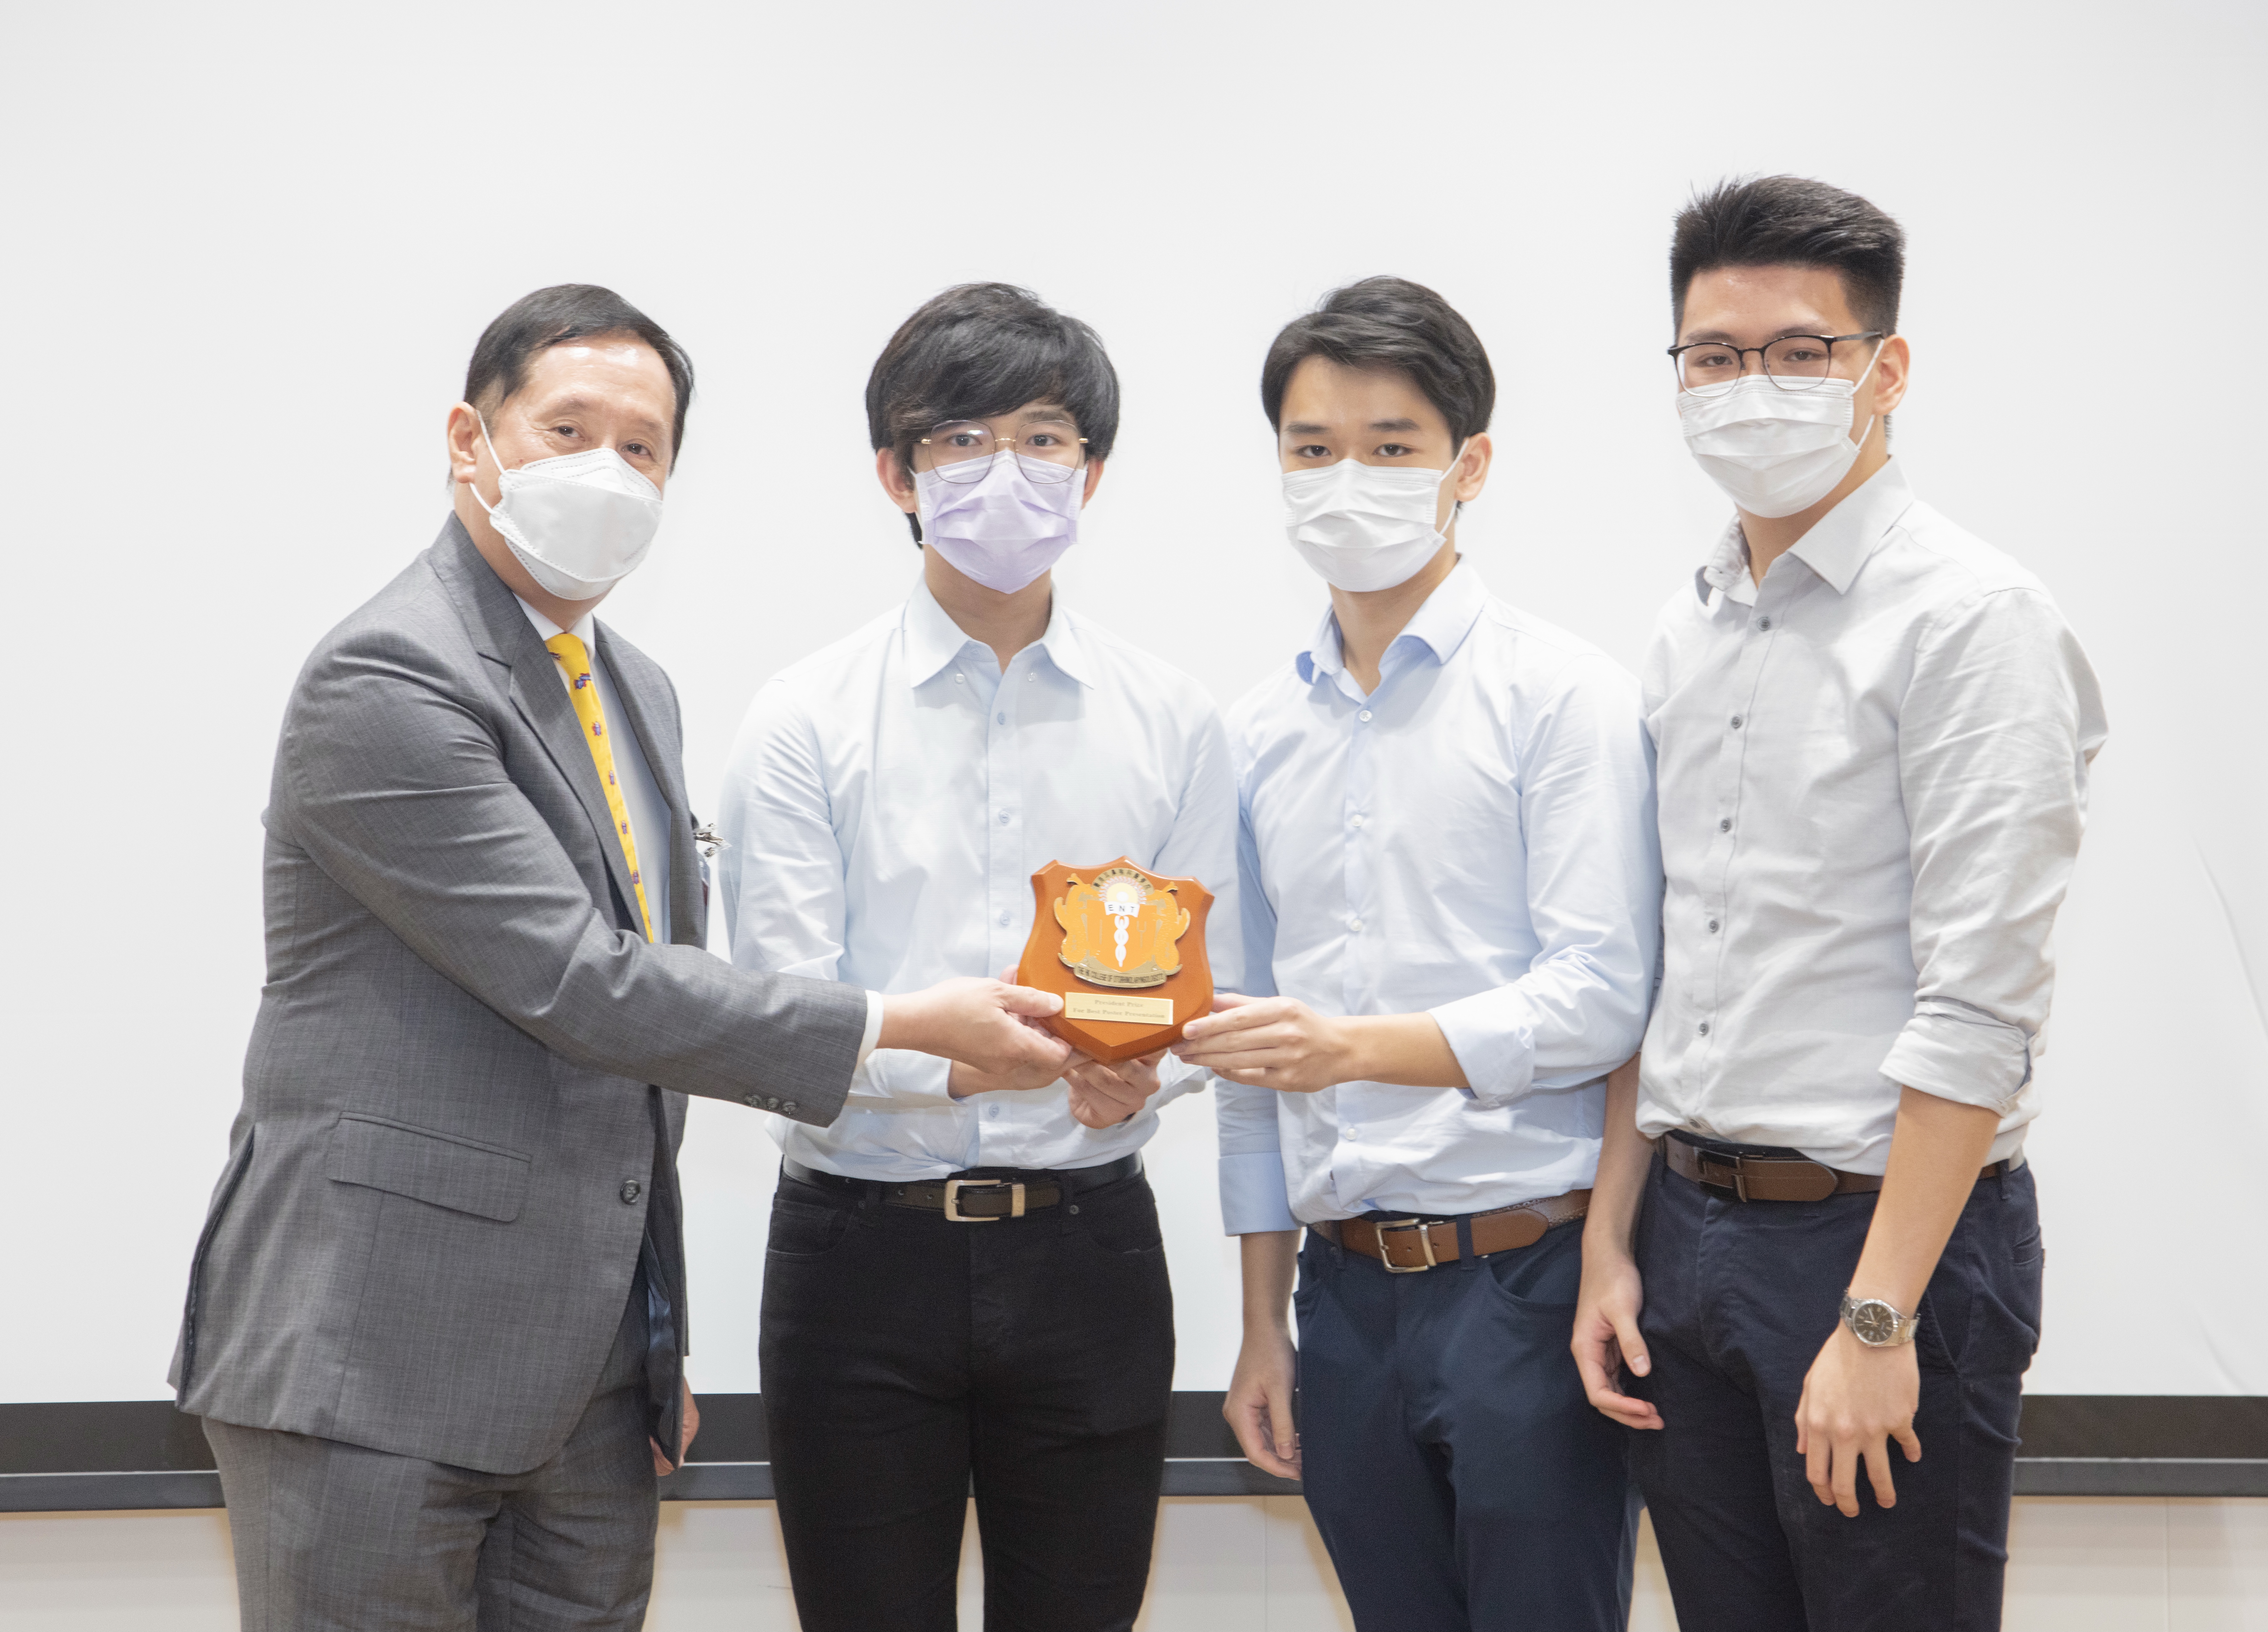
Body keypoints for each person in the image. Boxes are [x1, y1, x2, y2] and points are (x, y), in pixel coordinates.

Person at [171, 284, 1070, 1632]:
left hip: (586, 1379)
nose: (607, 468)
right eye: (569, 427)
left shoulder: (631, 684)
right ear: (471, 439)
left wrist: (652, 1338)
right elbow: (584, 986)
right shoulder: (390, 675)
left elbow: (649, 1045)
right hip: (378, 1359)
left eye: (642, 447)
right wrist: (915, 1022)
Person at [1571, 177, 2108, 1631]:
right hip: (1688, 1241)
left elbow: (1979, 1006)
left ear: (1887, 369)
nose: (1753, 387)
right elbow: (1673, 960)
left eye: (1799, 351)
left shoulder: (1970, 619)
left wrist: (1874, 1319)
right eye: (1714, 355)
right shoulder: (1690, 623)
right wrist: (1611, 1242)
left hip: (1881, 1249)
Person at [716, 282, 1240, 1632]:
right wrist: (946, 1065)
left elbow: (1195, 983)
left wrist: (1145, 1077)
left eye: (1044, 436)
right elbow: (779, 1019)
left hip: (1087, 1248)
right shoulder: (802, 719)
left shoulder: (1172, 720)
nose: (1003, 469)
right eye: (959, 439)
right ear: (894, 471)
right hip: (856, 1257)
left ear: (1093, 472)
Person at [1177, 276, 1661, 1632]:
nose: (1349, 478)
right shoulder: (1254, 730)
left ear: (1468, 465)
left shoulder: (1563, 695)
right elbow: (1247, 1052)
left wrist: (1353, 1048)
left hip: (1527, 1276)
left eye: (1391, 446)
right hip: (1337, 1302)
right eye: (1312, 447)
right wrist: (1264, 1316)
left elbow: (1601, 1000)